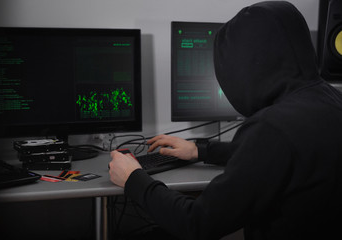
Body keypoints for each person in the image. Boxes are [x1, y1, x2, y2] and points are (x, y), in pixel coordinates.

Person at [108, 1, 342, 239]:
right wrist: (201, 151)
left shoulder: (273, 127)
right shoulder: (331, 100)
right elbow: (283, 157)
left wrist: (133, 179)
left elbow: (196, 223)